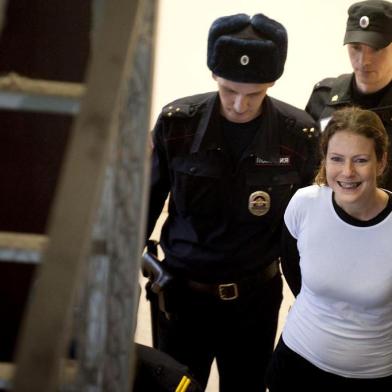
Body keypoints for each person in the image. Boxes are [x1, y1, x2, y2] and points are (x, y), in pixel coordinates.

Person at [144, 12, 319, 392]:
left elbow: (307, 226)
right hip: (182, 298)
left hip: (254, 302)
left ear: (271, 83)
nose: (240, 104)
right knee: (175, 387)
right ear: (214, 78)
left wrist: (312, 297)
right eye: (229, 91)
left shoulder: (297, 135)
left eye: (253, 94)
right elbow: (143, 206)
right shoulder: (178, 124)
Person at [266, 106, 392, 391]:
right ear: (324, 160)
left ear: (381, 162)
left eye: (361, 160)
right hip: (296, 364)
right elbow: (292, 270)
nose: (347, 172)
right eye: (336, 159)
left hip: (373, 374)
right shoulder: (304, 204)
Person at [306, 0, 392, 190]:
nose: (363, 61)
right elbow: (307, 166)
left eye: (376, 49)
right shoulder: (323, 97)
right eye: (356, 47)